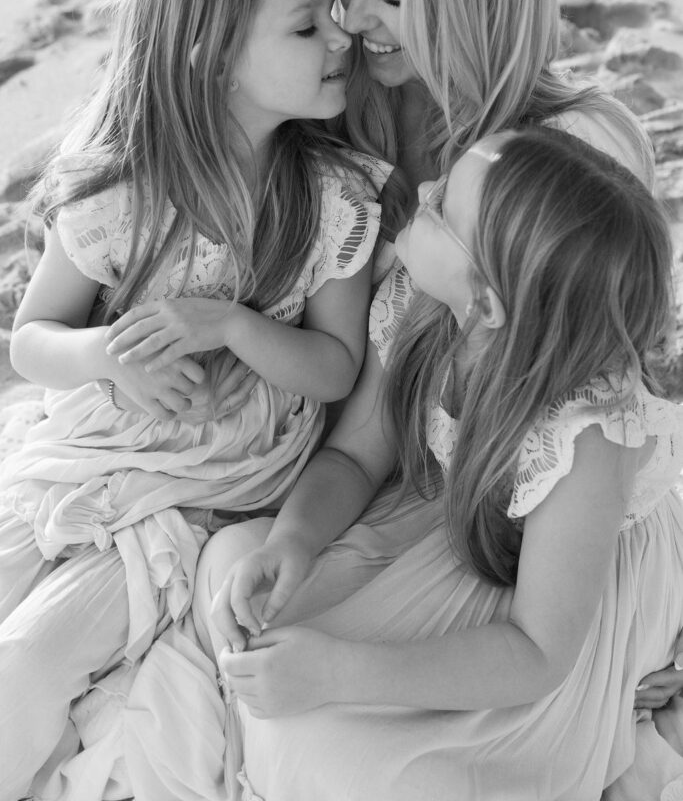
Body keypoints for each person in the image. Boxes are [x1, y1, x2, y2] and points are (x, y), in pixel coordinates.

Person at [0, 0, 396, 801]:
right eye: (306, 27)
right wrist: (109, 355)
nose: (343, 35)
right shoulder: (122, 190)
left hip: (199, 495)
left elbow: (337, 370)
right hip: (85, 459)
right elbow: (33, 341)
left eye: (330, 15)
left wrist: (239, 328)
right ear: (208, 59)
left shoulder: (332, 198)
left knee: (22, 666)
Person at [198, 126, 683, 800]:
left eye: (440, 209)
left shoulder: (589, 434)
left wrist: (341, 672)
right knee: (233, 565)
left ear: (486, 300)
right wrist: (291, 542)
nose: (422, 190)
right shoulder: (418, 303)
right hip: (477, 523)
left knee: (331, 755)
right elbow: (354, 456)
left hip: (562, 597)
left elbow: (538, 651)